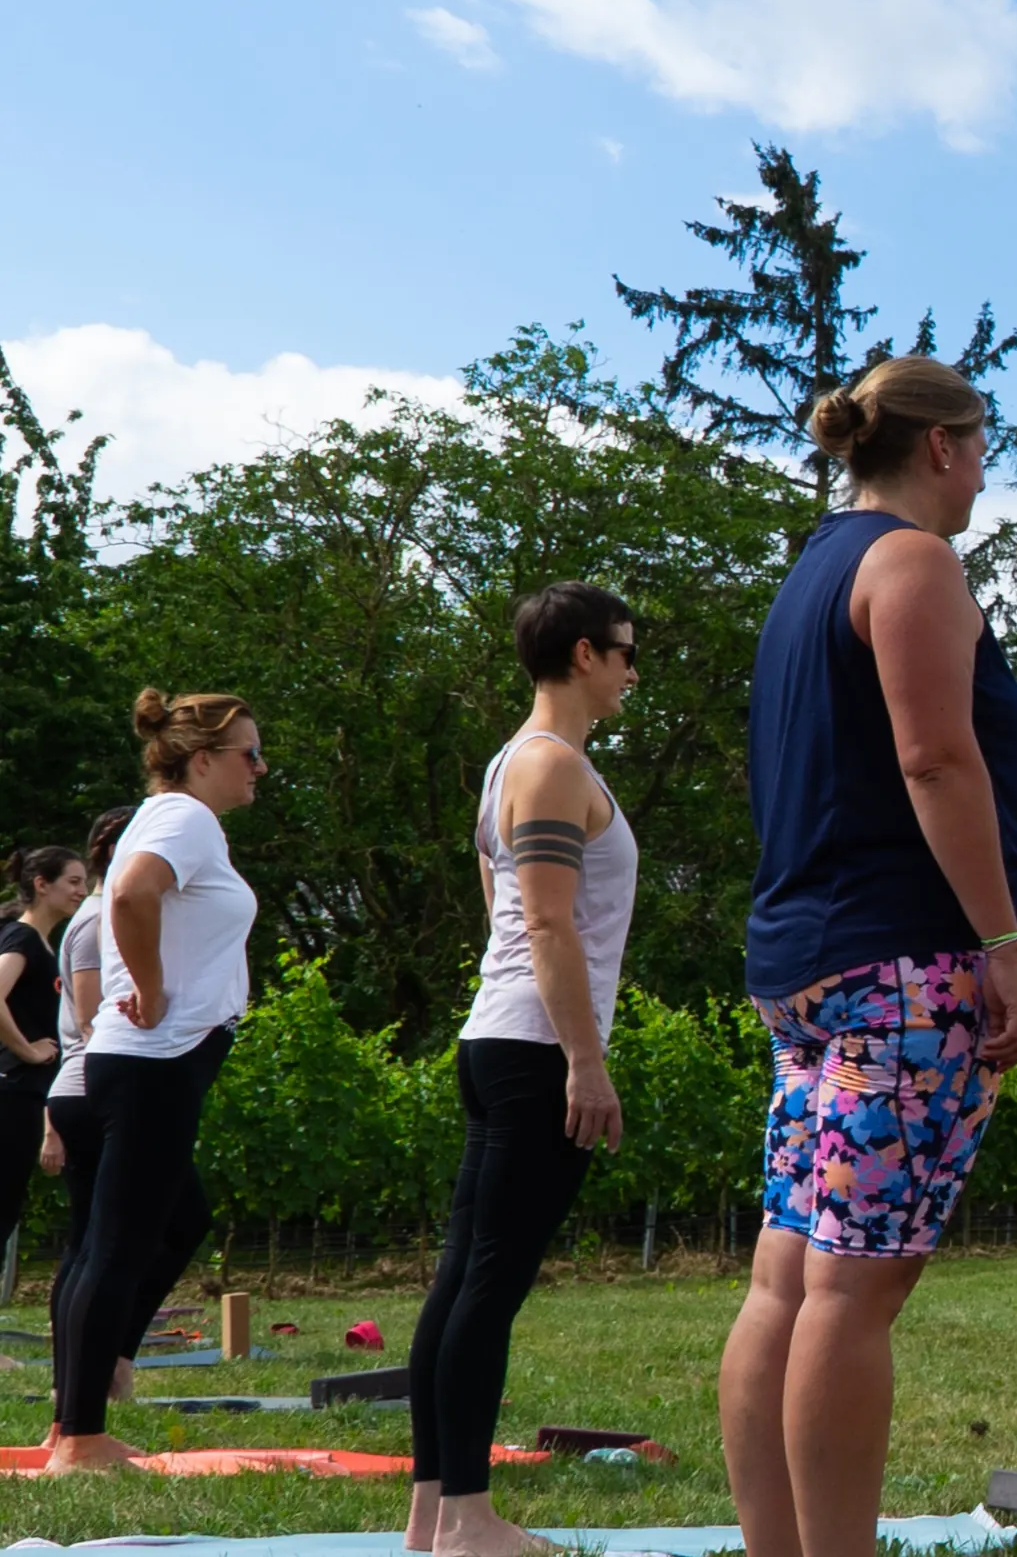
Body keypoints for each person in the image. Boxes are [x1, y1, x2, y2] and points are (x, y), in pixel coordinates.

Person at [719, 355, 1017, 1557]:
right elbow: (935, 762)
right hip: (904, 963)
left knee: (789, 1280)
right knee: (857, 1291)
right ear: (943, 446)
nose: (982, 476)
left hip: (806, 959)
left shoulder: (811, 569)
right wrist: (999, 944)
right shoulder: (911, 561)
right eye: (982, 448)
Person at [403, 585, 641, 1557]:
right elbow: (542, 922)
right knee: (486, 1287)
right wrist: (585, 1058)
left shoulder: (514, 760)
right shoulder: (549, 765)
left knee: (464, 1280)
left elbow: (502, 910)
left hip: (500, 1040)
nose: (632, 669)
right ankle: (466, 1518)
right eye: (626, 651)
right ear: (583, 653)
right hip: (533, 1051)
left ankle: (431, 1515)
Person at [48, 691, 263, 1473]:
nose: (260, 768)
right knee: (117, 1246)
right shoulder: (186, 818)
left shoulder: (163, 816)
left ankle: (71, 1427)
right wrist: (153, 983)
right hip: (153, 1062)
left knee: (109, 1243)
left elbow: (139, 897)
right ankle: (82, 1436)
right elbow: (133, 895)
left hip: (139, 1061)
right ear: (202, 760)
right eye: (248, 753)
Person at [42, 807, 169, 1429]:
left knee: (94, 1242)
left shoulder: (91, 919)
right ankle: (90, 1376)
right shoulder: (96, 923)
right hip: (90, 1085)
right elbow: (94, 1022)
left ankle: (83, 1380)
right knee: (101, 1243)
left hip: (83, 1086)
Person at [0, 848, 87, 1257]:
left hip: (26, 1094)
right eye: (73, 882)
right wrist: (28, 1050)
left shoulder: (45, 946)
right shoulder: (22, 938)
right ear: (41, 884)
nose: (81, 891)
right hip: (11, 1090)